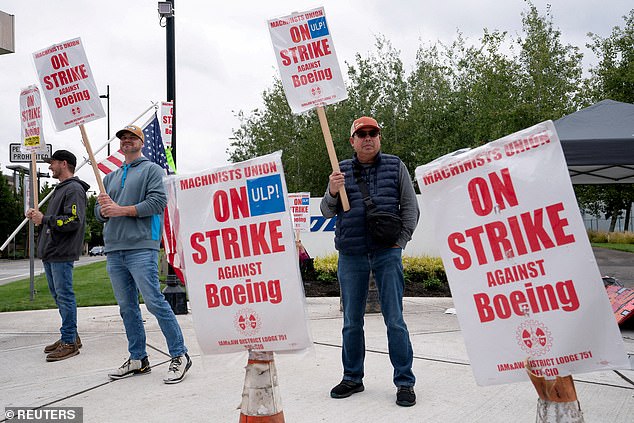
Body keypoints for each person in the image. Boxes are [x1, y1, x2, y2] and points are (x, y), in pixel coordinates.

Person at [320, 116, 419, 407]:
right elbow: (327, 212)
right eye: (361, 134)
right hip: (351, 254)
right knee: (351, 321)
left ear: (379, 137)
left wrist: (399, 243)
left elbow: (411, 208)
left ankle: (404, 382)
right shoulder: (340, 172)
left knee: (395, 320)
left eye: (372, 132)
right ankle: (352, 377)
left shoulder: (396, 166)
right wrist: (332, 190)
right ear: (352, 140)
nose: (367, 138)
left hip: (387, 253)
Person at [95, 124, 191, 384]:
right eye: (123, 138)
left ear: (141, 142)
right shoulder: (110, 178)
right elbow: (99, 211)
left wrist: (120, 210)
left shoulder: (152, 170)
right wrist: (103, 210)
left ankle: (179, 355)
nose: (127, 141)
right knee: (127, 308)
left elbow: (158, 202)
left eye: (132, 137)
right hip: (115, 248)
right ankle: (138, 358)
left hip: (141, 247)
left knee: (155, 302)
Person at [26, 149, 89, 362]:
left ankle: (69, 342)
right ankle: (71, 335)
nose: (49, 167)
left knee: (64, 295)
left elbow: (74, 220)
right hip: (52, 251)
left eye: (52, 163)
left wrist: (45, 219)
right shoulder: (61, 189)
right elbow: (53, 218)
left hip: (61, 252)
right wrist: (39, 217)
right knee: (58, 296)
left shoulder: (73, 189)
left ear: (64, 163)